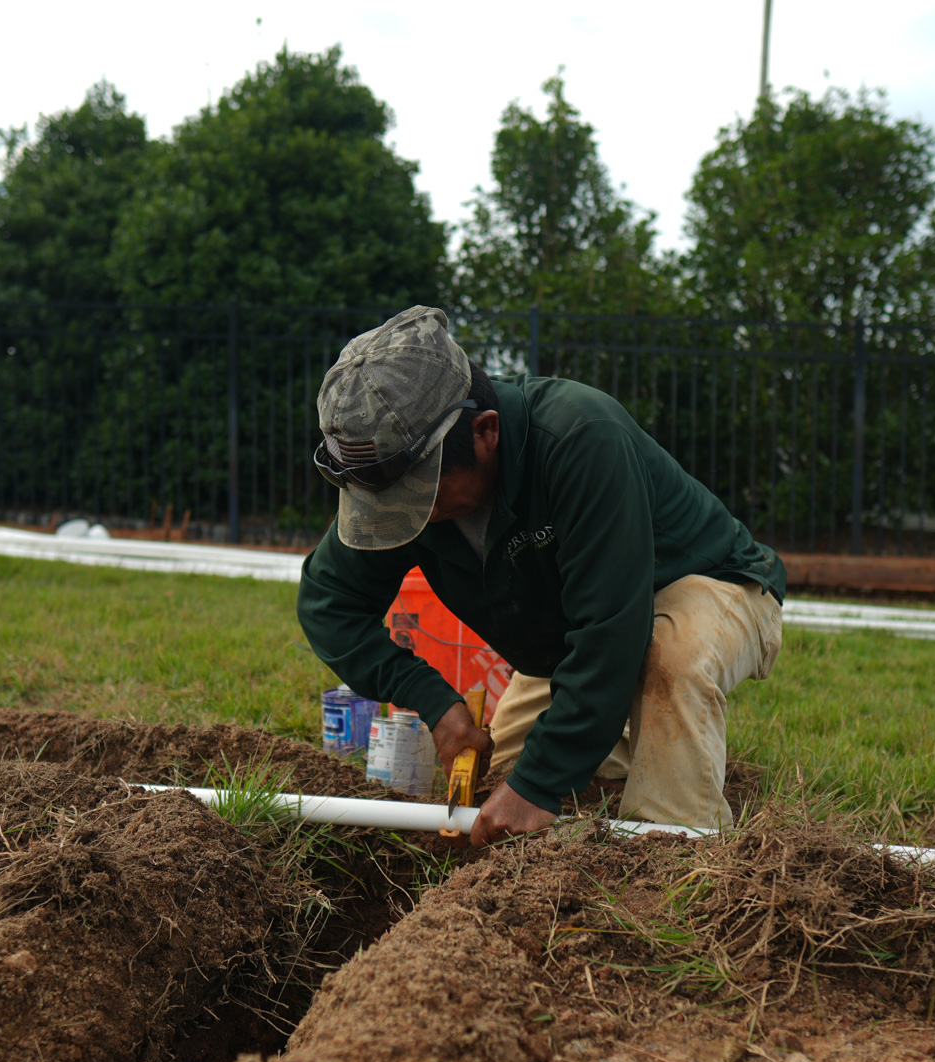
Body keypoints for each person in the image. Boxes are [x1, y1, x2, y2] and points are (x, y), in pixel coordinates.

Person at [297, 306, 785, 846]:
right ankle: (625, 749)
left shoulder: (578, 436)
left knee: (664, 658)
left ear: (486, 432)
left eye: (419, 499)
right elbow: (329, 602)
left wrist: (541, 784)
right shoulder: (405, 480)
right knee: (506, 782)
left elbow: (613, 632)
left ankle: (674, 866)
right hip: (576, 636)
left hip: (711, 587)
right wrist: (432, 699)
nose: (407, 518)